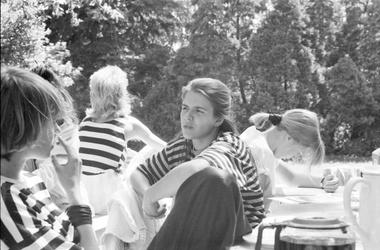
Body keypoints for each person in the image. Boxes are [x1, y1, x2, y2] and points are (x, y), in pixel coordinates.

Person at [130, 78, 265, 250]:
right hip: (201, 234)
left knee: (214, 178)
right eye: (185, 108)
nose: (188, 116)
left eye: (199, 111)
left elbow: (197, 168)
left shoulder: (231, 144)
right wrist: (146, 193)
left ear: (218, 120)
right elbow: (140, 173)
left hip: (241, 238)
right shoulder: (182, 146)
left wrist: (152, 195)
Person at [1, 66, 98, 249]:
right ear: (28, 125)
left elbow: (76, 238)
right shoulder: (8, 204)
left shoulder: (31, 181)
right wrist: (74, 193)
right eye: (53, 121)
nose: (59, 129)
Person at [79, 65, 166, 214]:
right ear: (120, 95)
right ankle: (155, 195)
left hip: (86, 196)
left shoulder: (85, 122)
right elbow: (163, 147)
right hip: (112, 197)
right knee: (149, 150)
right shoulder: (127, 124)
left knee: (124, 154)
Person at [240, 110, 340, 210]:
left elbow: (292, 177)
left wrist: (323, 181)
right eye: (298, 152)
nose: (293, 156)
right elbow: (262, 208)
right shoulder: (262, 152)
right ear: (289, 138)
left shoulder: (254, 135)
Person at [24, 66, 86, 210]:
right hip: (35, 198)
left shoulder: (65, 127)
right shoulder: (27, 126)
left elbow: (56, 172)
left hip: (65, 201)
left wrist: (22, 182)